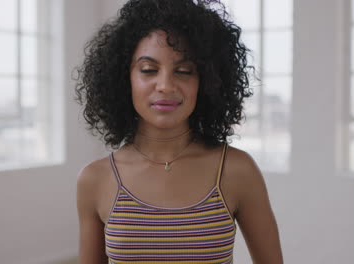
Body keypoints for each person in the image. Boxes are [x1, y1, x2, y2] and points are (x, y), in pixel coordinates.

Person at [75, 0, 283, 263]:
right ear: (123, 78)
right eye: (148, 70)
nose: (165, 85)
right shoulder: (95, 179)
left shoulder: (236, 170)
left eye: (184, 71)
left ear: (207, 82)